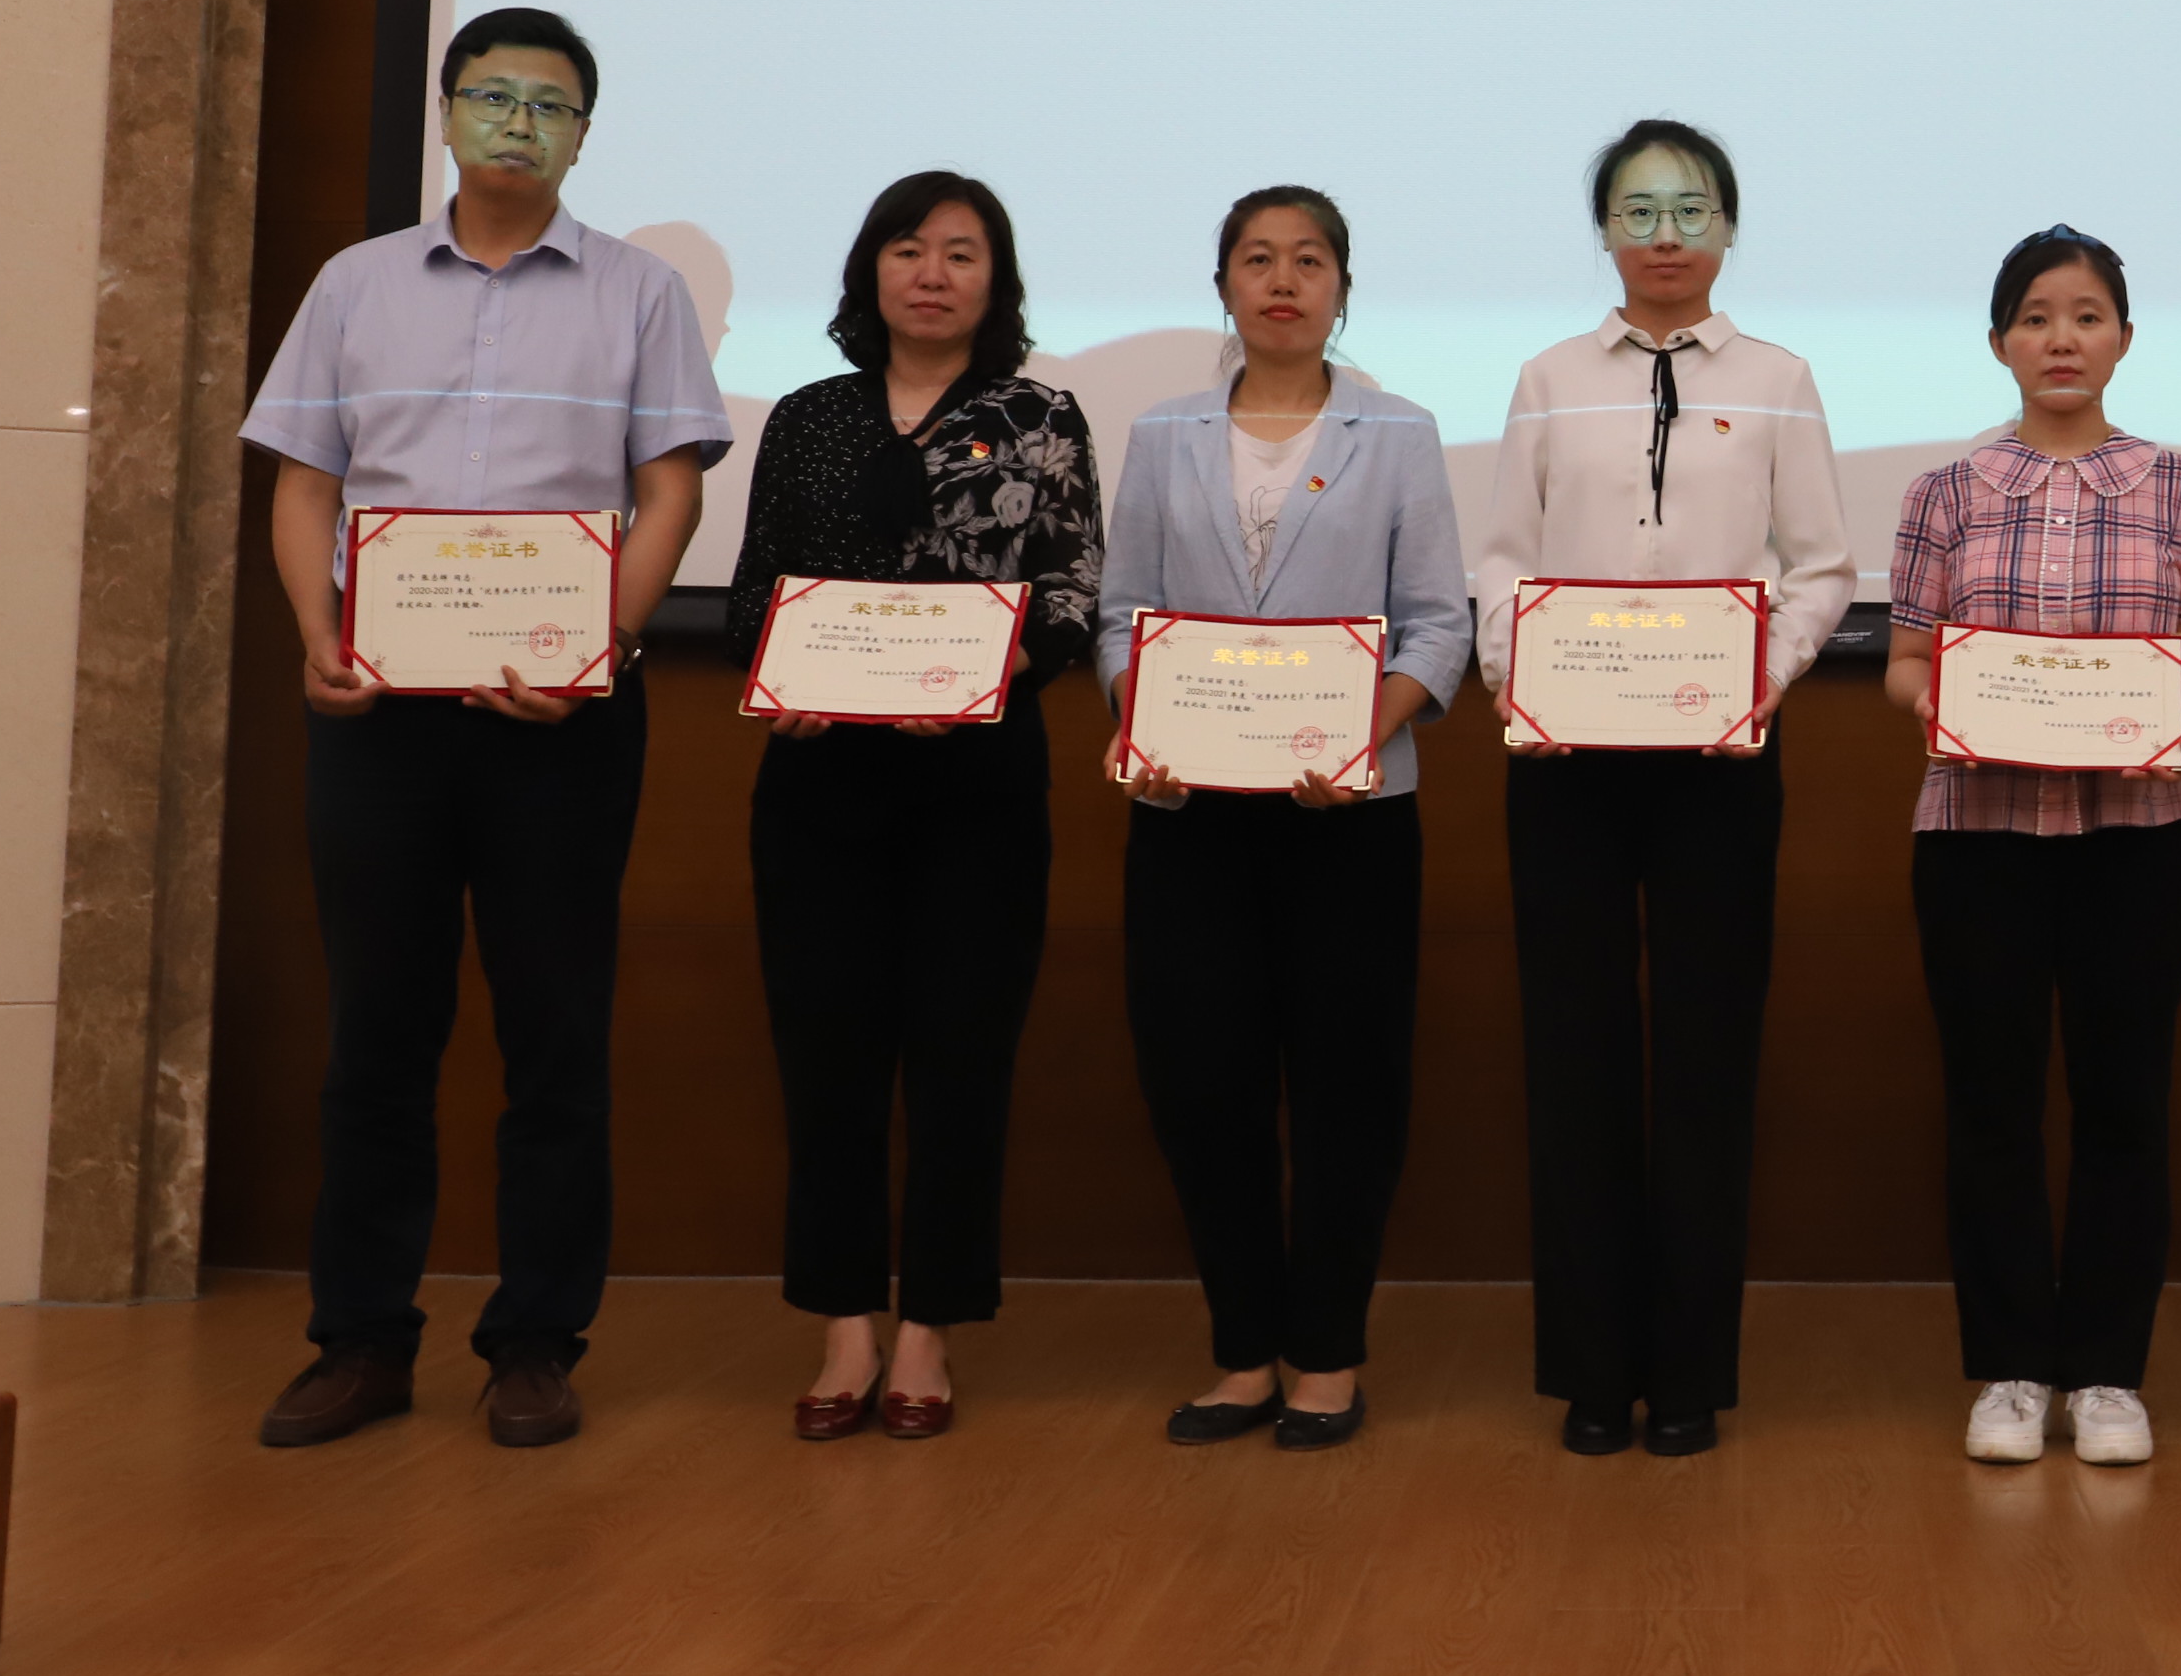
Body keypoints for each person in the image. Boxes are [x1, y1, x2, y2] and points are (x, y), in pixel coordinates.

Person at [238, 7, 727, 1450]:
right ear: (447, 111)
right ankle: (360, 1338)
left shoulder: (638, 291)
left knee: (555, 1033)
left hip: (560, 719)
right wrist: (318, 632)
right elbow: (305, 481)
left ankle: (533, 1341)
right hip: (381, 708)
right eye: (493, 95)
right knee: (377, 1032)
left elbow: (672, 488)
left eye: (550, 104)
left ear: (584, 135)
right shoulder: (355, 283)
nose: (519, 122)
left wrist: (602, 644)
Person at [1474, 119, 1856, 1458]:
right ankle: (1593, 1369)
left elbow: (1821, 566)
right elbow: (1502, 559)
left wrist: (1763, 677)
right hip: (1565, 762)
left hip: (1717, 764)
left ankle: (1687, 1371)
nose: (1666, 235)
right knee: (1574, 1058)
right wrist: (1519, 681)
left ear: (1727, 228)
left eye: (1691, 210)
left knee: (1705, 1059)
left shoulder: (1780, 378)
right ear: (1605, 231)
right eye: (1638, 211)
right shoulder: (1548, 377)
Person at [724, 173, 1100, 1443]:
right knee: (826, 1060)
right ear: (869, 270)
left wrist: (993, 675)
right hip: (820, 785)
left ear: (996, 281)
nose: (931, 273)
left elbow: (1069, 589)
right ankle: (843, 1323)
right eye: (906, 248)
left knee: (960, 1061)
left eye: (959, 252)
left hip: (976, 787)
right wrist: (782, 677)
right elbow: (753, 591)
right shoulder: (806, 415)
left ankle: (929, 1327)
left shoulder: (1039, 415)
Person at [1100, 187, 1471, 1450]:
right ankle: (1241, 1351)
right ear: (1221, 285)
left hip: (1350, 814)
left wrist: (1358, 730)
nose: (1281, 279)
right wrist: (1140, 715)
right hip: (1189, 810)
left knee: (1346, 1088)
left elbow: (1438, 623)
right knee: (1202, 1082)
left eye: (1308, 259)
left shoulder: (1399, 431)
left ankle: (1326, 1353)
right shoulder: (1162, 431)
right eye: (1256, 258)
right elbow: (1123, 613)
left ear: (1341, 288)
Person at [1883, 228, 2181, 1466]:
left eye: (2086, 315)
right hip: (1977, 835)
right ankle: (2012, 1368)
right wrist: (1947, 706)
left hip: (2139, 835)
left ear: (2123, 338)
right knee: (1991, 1105)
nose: (2061, 338)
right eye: (2035, 316)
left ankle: (2108, 1371)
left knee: (2124, 1103)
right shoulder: (1944, 492)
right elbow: (1905, 662)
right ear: (1998, 342)